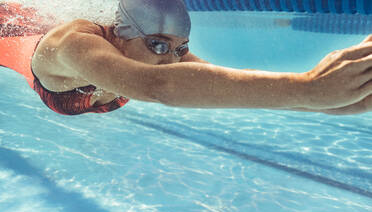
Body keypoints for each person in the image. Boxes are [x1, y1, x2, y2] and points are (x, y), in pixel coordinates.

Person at [2, 0, 372, 115]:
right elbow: (158, 85)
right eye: (159, 46)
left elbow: (232, 84)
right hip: (13, 39)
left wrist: (346, 99)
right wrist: (309, 87)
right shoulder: (74, 44)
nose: (172, 60)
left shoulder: (159, 56)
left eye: (180, 48)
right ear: (121, 33)